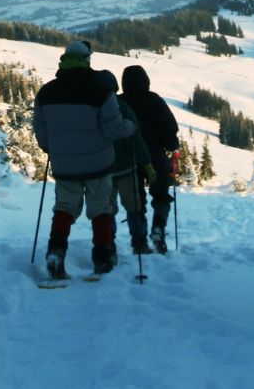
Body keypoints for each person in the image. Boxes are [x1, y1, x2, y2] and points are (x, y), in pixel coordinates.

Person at [33, 40, 137, 278]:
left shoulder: (46, 92)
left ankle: (55, 253)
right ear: (87, 61)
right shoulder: (101, 92)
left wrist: (55, 149)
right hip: (98, 165)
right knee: (101, 209)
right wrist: (130, 127)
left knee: (64, 208)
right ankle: (102, 257)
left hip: (64, 166)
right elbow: (114, 130)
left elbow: (41, 133)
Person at [120, 64, 179, 253]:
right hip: (156, 156)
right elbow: (170, 129)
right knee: (161, 194)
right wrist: (171, 145)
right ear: (146, 81)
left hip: (128, 159)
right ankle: (158, 228)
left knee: (135, 200)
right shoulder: (154, 100)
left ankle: (138, 240)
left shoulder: (118, 102)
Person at [108, 73, 155, 255]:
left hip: (103, 170)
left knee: (107, 210)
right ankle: (139, 242)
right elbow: (136, 139)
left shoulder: (93, 109)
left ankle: (108, 244)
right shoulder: (123, 108)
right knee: (135, 207)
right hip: (127, 168)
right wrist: (148, 164)